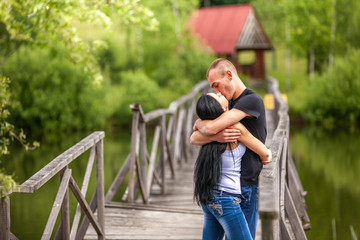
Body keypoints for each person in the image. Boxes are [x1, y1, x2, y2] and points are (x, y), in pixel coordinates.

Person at [190, 58, 269, 238]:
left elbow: (204, 131)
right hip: (234, 189)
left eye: (216, 86)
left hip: (242, 185)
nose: (217, 91)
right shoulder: (228, 104)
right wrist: (211, 130)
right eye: (213, 89)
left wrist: (200, 124)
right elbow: (196, 136)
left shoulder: (251, 101)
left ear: (229, 75)